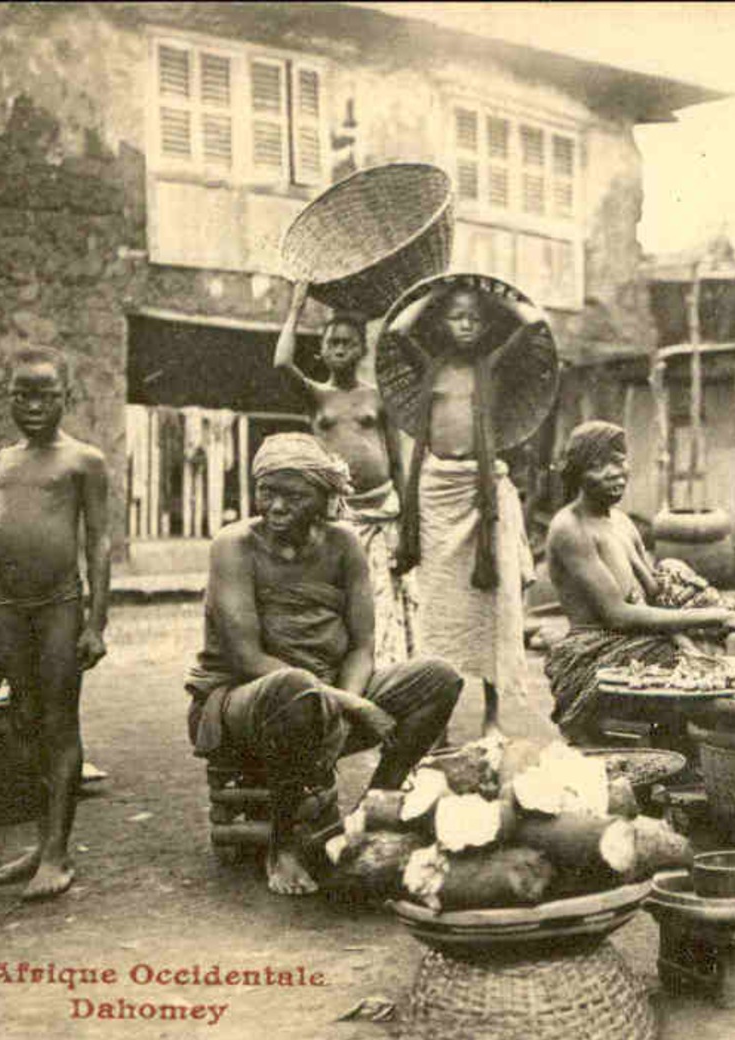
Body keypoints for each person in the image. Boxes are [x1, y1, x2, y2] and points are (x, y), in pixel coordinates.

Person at [185, 433, 462, 895]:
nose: (274, 507)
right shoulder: (234, 546)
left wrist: (346, 698)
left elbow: (362, 647)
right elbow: (247, 657)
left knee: (439, 677)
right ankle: (284, 844)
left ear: (324, 496)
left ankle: (372, 810)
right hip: (244, 700)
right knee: (293, 686)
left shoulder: (344, 545)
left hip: (331, 694)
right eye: (266, 492)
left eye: (292, 496)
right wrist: (347, 704)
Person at [0, 345, 111, 901]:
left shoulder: (83, 461)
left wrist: (96, 623)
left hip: (59, 606)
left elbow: (99, 542)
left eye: (45, 393)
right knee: (25, 724)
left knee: (59, 723)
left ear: (66, 397)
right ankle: (41, 841)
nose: (32, 404)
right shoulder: (3, 463)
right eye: (21, 394)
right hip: (8, 609)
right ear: (9, 397)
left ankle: (57, 854)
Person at [391, 284, 549, 740]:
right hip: (437, 489)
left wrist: (491, 296)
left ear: (485, 328)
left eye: (474, 319)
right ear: (442, 322)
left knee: (491, 606)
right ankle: (434, 716)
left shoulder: (491, 366)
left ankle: (492, 714)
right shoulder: (431, 367)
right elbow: (400, 328)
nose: (465, 325)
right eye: (457, 316)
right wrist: (441, 291)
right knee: (437, 608)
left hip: (478, 490)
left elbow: (534, 322)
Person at [544, 421, 735, 743]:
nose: (615, 472)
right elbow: (618, 615)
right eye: (598, 466)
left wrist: (700, 625)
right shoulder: (570, 529)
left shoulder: (622, 522)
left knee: (711, 639)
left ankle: (708, 749)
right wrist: (715, 617)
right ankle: (709, 747)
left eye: (619, 461)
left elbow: (653, 595)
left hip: (639, 637)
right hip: (596, 649)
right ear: (577, 473)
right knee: (706, 677)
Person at [274, 282, 416, 662]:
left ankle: (386, 674)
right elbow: (282, 364)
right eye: (333, 342)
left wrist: (408, 526)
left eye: (348, 342)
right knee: (337, 597)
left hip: (382, 512)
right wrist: (296, 308)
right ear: (321, 350)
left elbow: (398, 463)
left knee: (382, 600)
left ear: (362, 350)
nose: (339, 348)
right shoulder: (317, 396)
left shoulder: (377, 396)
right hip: (337, 517)